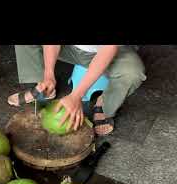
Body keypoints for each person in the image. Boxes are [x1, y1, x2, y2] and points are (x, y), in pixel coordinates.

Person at [8, 45, 146, 136]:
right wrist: (48, 74)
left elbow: (108, 49)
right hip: (71, 48)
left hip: (111, 52)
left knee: (132, 73)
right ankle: (44, 86)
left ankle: (104, 102)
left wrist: (76, 95)